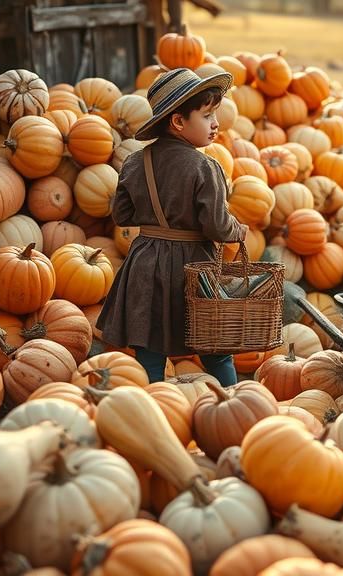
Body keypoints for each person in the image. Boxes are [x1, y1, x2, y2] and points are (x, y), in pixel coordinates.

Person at [98, 68, 247, 385]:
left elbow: (122, 215)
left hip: (146, 264)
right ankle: (236, 398)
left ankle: (156, 404)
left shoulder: (136, 163)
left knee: (150, 348)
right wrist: (238, 230)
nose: (216, 123)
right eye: (207, 116)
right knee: (214, 346)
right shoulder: (205, 167)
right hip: (193, 267)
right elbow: (216, 226)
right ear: (179, 122)